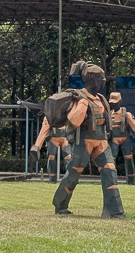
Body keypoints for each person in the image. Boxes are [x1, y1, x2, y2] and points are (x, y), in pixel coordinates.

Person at [52, 61, 125, 218]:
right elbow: (74, 120)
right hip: (83, 142)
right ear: (92, 80)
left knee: (110, 173)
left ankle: (114, 211)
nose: (104, 81)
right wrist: (83, 103)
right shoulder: (79, 98)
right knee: (73, 174)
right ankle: (60, 204)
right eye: (101, 78)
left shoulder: (100, 98)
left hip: (101, 141)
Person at [108, 92, 135, 185]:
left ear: (120, 102)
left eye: (115, 103)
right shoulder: (109, 115)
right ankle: (111, 180)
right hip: (114, 140)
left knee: (128, 158)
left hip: (125, 139)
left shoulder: (126, 115)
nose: (114, 105)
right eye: (112, 103)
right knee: (111, 159)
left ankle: (131, 180)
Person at [30, 116, 71, 184]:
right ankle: (52, 178)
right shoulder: (49, 115)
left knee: (68, 156)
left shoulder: (67, 112)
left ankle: (70, 178)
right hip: (53, 137)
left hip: (65, 137)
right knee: (51, 156)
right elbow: (44, 131)